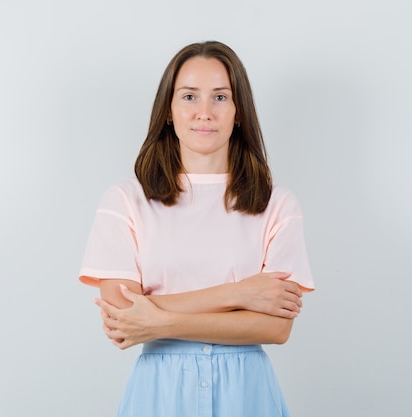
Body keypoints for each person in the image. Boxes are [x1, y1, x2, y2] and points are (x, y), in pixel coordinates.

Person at [78, 41, 314, 417]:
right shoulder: (124, 200)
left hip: (246, 394)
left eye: (220, 97)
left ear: (239, 113)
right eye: (189, 96)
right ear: (168, 111)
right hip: (159, 394)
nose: (204, 112)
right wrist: (240, 293)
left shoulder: (277, 204)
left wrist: (160, 320)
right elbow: (123, 320)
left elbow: (275, 329)